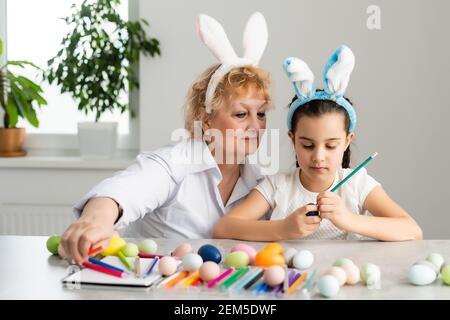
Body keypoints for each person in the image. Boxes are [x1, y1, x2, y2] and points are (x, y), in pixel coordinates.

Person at [58, 12, 272, 264]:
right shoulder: (174, 164)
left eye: (260, 113)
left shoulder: (259, 181)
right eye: (240, 114)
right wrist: (94, 222)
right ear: (206, 119)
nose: (256, 125)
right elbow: (122, 191)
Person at [213, 45, 423, 242]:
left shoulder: (357, 184)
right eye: (307, 145)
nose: (318, 157)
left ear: (347, 141)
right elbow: (223, 228)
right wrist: (284, 228)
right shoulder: (277, 186)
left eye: (331, 146)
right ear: (292, 139)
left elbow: (412, 230)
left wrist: (348, 220)